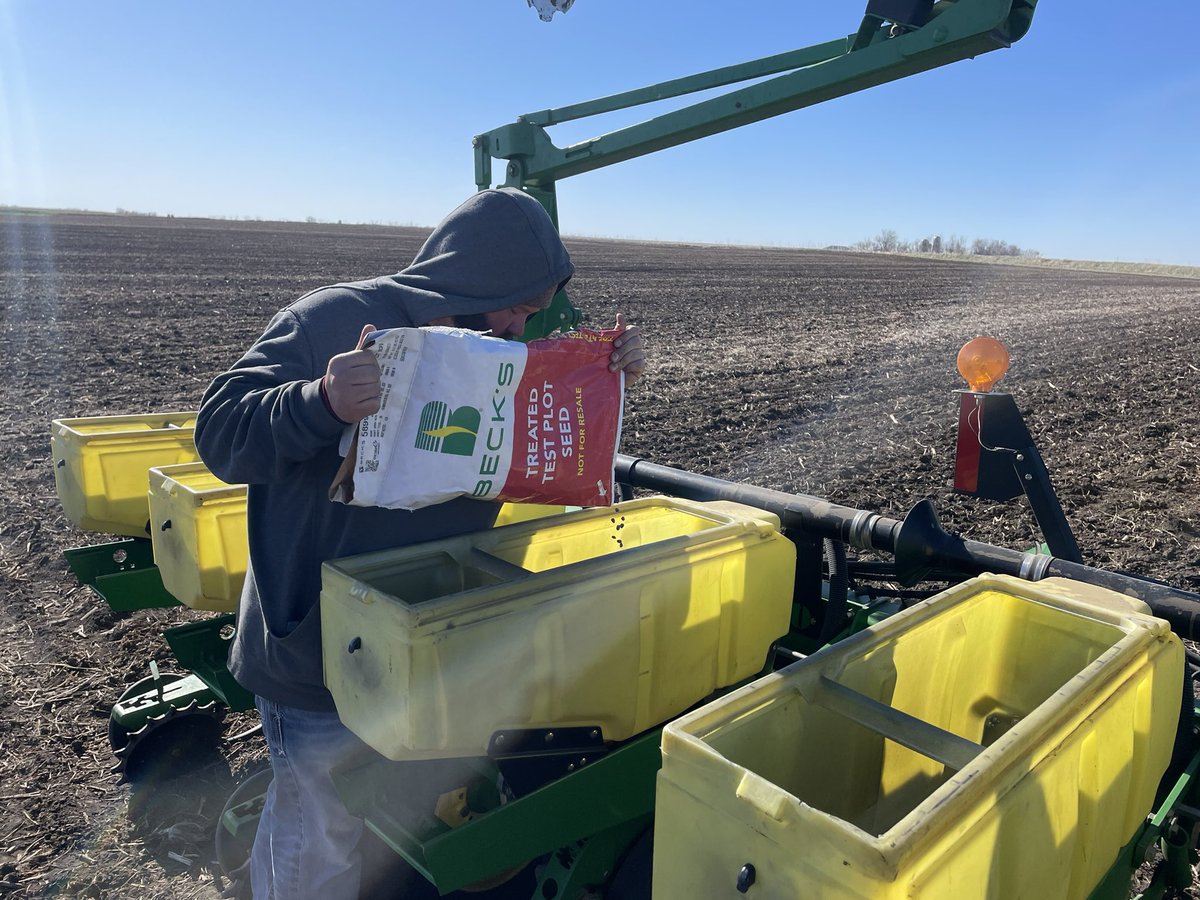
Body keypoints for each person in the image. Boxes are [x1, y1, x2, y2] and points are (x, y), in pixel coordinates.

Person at [194, 187, 647, 900]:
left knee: (388, 821)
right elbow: (219, 432)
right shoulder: (331, 320)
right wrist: (320, 403)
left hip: (428, 641)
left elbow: (532, 456)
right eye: (516, 306)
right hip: (318, 657)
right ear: (468, 281)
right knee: (318, 835)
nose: (521, 322)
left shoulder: (503, 353)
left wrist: (604, 380)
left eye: (532, 311)